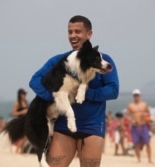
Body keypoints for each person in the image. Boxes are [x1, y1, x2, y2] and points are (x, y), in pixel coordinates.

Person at [29, 15, 119, 167]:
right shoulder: (59, 60)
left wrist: (85, 93)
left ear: (89, 34)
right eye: (70, 32)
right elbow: (35, 81)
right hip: (63, 127)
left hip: (92, 127)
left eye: (78, 31)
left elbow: (113, 90)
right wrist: (53, 97)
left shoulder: (102, 60)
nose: (73, 36)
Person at [126, 89, 152, 163]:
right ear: (133, 96)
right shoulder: (130, 105)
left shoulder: (144, 104)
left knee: (147, 143)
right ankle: (139, 159)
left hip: (143, 126)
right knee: (136, 144)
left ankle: (149, 159)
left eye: (137, 95)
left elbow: (149, 114)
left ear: (140, 96)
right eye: (135, 95)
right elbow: (127, 115)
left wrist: (146, 115)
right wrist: (132, 120)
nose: (136, 96)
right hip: (135, 126)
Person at [12, 88, 28, 153]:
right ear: (20, 95)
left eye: (25, 94)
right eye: (23, 94)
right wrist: (22, 112)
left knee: (24, 136)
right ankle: (17, 150)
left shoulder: (26, 102)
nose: (25, 95)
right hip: (20, 121)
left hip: (26, 120)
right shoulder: (17, 103)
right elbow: (13, 113)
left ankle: (21, 151)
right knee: (23, 136)